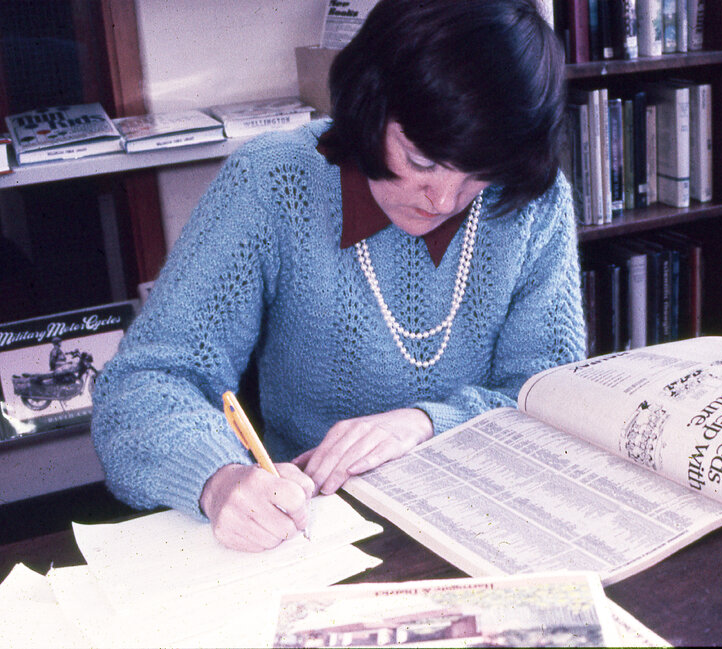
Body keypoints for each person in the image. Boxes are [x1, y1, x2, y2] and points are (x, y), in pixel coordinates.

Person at [91, 0, 585, 552]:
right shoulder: (273, 182)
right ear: (370, 104)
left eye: (480, 175)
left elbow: (552, 394)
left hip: (487, 518)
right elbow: (144, 383)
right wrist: (219, 478)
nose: (445, 199)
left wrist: (424, 423)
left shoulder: (531, 203)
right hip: (309, 527)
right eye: (421, 160)